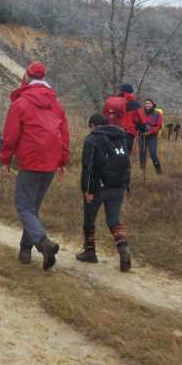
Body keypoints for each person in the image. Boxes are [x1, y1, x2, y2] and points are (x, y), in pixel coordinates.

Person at [0, 62, 69, 270]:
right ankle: (25, 251)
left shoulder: (20, 103)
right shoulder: (57, 104)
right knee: (32, 208)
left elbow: (11, 135)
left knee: (24, 207)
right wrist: (62, 161)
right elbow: (64, 134)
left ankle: (43, 244)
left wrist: (5, 159)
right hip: (50, 162)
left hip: (30, 162)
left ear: (27, 78)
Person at [77, 113, 132, 271]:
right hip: (119, 186)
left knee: (89, 220)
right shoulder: (119, 136)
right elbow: (127, 161)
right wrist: (125, 183)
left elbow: (88, 167)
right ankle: (123, 248)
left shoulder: (92, 139)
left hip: (98, 188)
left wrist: (87, 189)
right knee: (114, 220)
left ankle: (90, 252)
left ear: (93, 126)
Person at [102, 82, 148, 155]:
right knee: (125, 156)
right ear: (131, 92)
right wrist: (144, 130)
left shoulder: (112, 102)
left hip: (111, 132)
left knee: (112, 155)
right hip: (127, 133)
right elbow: (140, 120)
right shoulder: (134, 104)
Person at [138, 99, 164, 174]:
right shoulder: (142, 113)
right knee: (142, 155)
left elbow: (159, 126)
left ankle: (158, 171)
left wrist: (150, 132)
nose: (147, 105)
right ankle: (142, 171)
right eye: (145, 103)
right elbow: (138, 123)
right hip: (142, 136)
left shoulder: (157, 114)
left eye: (148, 103)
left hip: (152, 137)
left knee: (153, 155)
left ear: (152, 104)